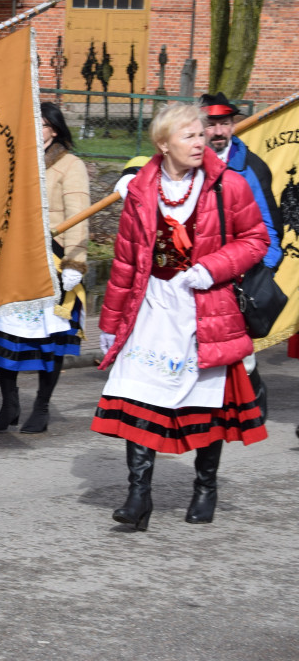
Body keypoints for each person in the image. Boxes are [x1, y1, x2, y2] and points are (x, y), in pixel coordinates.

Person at [92, 102, 268, 530]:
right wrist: (111, 322)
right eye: (188, 135)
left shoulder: (228, 185)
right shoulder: (140, 191)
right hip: (152, 305)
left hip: (206, 309)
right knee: (140, 397)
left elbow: (256, 238)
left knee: (207, 405)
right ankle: (138, 496)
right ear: (163, 144)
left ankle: (205, 487)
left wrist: (212, 268)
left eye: (201, 133)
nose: (200, 141)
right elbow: (125, 262)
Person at [0, 102, 90, 433]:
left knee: (49, 340)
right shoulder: (15, 159)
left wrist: (75, 261)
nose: (33, 129)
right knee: (5, 335)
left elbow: (78, 216)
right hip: (14, 261)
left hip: (52, 261)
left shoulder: (70, 165)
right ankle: (9, 404)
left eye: (39, 124)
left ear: (53, 129)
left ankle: (41, 407)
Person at [199, 92, 283, 420]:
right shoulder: (185, 162)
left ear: (234, 125)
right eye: (211, 124)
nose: (218, 132)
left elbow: (270, 227)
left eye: (225, 124)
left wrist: (262, 274)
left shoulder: (251, 167)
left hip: (240, 273)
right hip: (197, 270)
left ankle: (252, 409)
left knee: (240, 350)